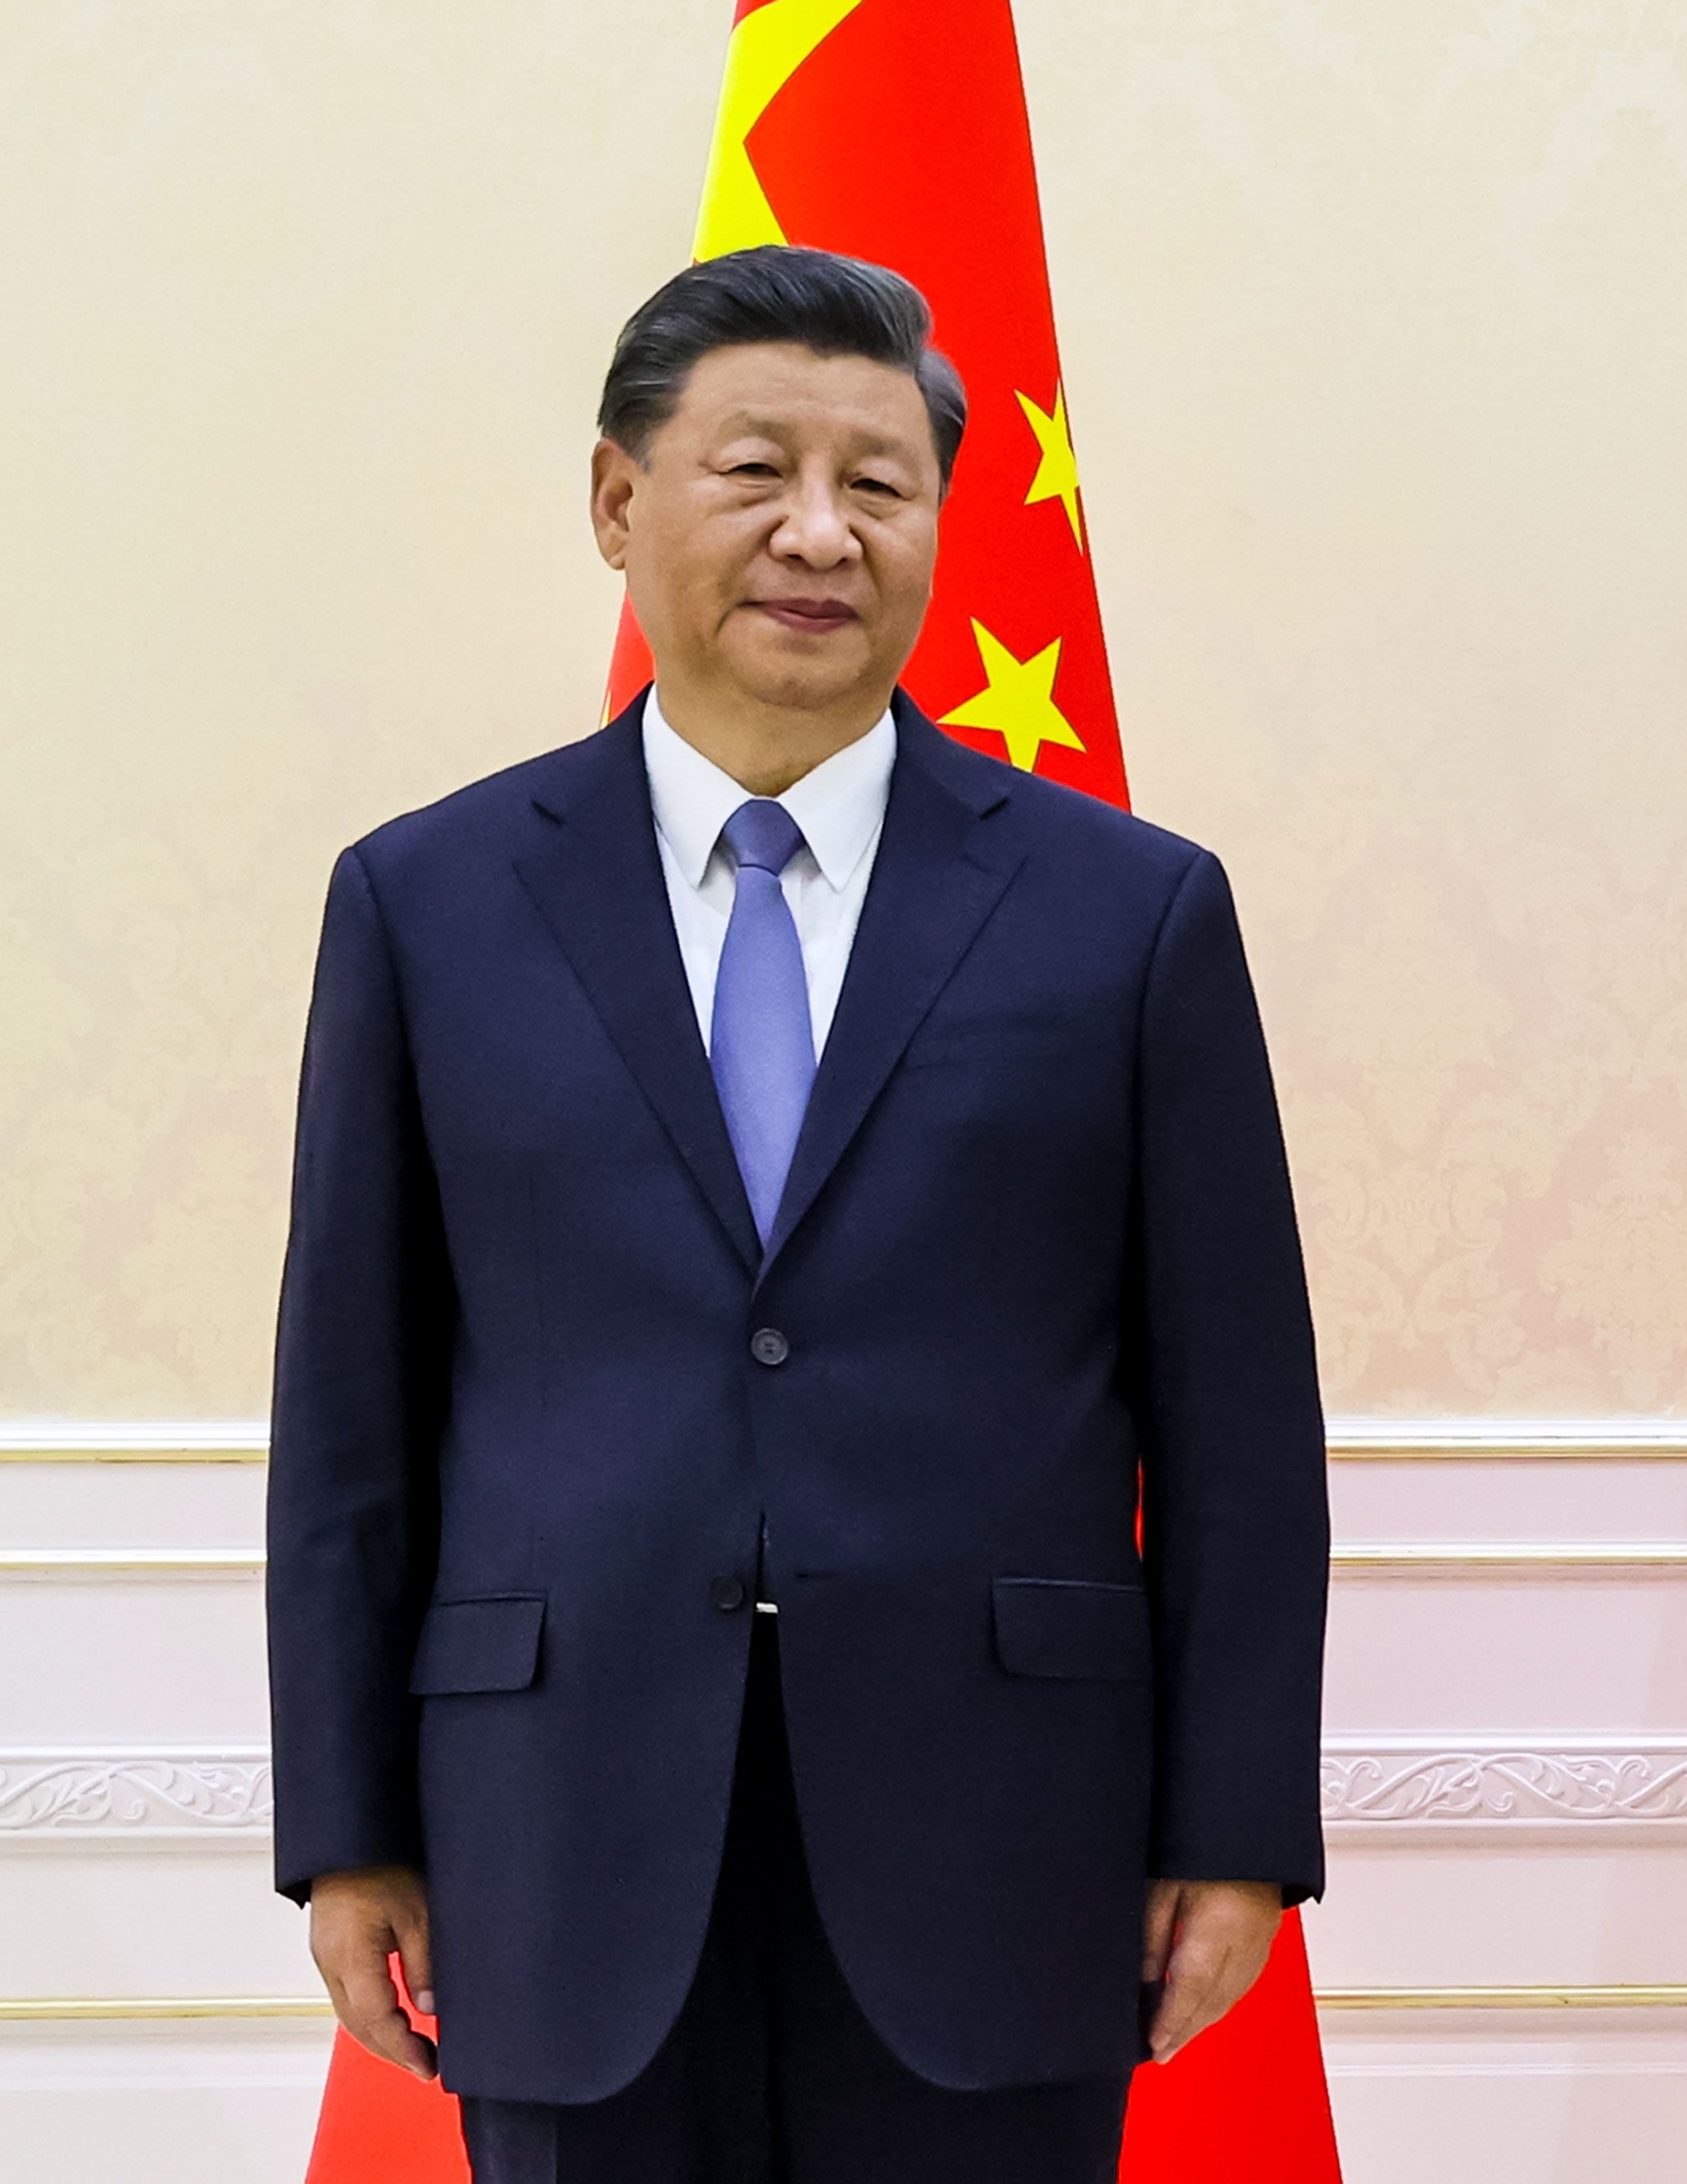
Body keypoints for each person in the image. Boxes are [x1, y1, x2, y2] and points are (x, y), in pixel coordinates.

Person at [265, 245, 1328, 2182]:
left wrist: (1235, 1823)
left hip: (1001, 1833)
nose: (820, 535)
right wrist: (345, 1822)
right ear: (617, 501)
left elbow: (1240, 1422)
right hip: (559, 1824)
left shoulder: (1129, 911)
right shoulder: (428, 902)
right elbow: (354, 1406)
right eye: (755, 471)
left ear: (939, 521)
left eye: (881, 484)